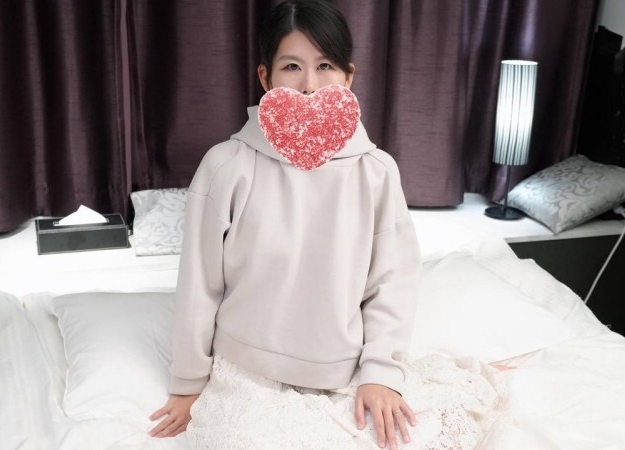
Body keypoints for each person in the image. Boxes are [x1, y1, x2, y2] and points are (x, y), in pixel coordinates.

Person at [149, 1, 504, 448]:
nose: (309, 85)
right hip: (246, 369)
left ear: (348, 77)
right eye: (292, 66)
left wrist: (380, 374)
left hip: (346, 372)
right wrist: (188, 383)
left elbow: (392, 281)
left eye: (325, 66)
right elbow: (199, 284)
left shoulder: (376, 170)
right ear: (265, 77)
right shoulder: (226, 165)